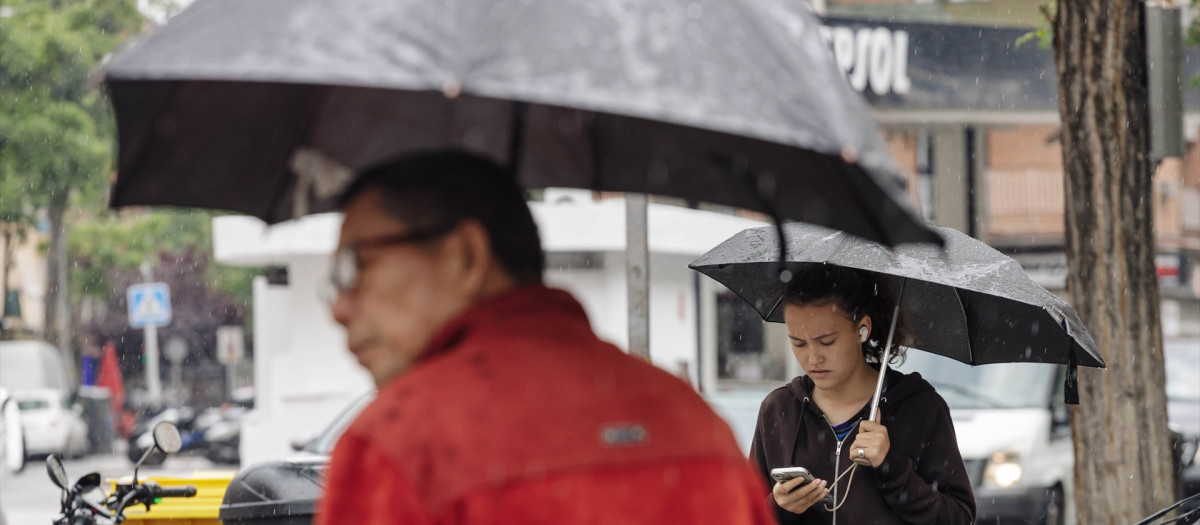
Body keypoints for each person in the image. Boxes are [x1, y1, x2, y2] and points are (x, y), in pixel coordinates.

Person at [316, 150, 773, 525]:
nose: (339, 308)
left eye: (356, 266)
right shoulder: (693, 423)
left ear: (465, 256)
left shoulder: (400, 446)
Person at [750, 265, 976, 524]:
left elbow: (959, 518)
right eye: (798, 343)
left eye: (827, 341)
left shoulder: (920, 408)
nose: (812, 358)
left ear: (862, 329)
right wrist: (777, 507)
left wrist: (891, 468)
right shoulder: (778, 410)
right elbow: (741, 512)